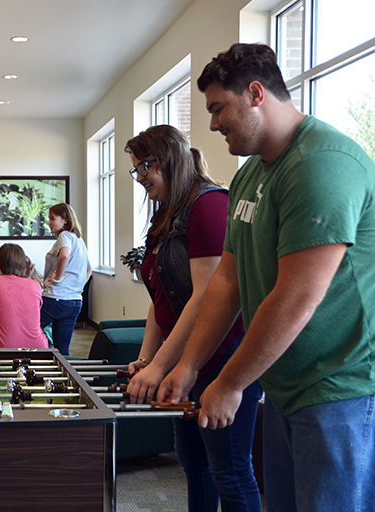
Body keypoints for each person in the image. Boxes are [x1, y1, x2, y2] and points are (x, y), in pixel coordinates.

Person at [158, 43, 375, 512]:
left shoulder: (321, 165)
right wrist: (188, 366)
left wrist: (228, 384)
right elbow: (227, 283)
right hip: (287, 383)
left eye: (217, 108)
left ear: (255, 93)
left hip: (346, 389)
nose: (212, 124)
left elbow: (294, 298)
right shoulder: (252, 174)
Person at [124, 125, 261, 511]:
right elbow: (159, 296)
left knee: (230, 471)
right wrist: (150, 358)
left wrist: (168, 364)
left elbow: (207, 296)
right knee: (194, 464)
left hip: (222, 356)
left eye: (143, 168)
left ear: (167, 160)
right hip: (186, 359)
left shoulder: (210, 205)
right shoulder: (166, 215)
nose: (140, 179)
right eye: (135, 170)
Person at [0, 244, 47, 349]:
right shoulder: (35, 285)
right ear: (23, 265)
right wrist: (26, 277)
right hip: (39, 350)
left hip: (5, 351)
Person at [39, 203, 92, 356]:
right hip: (74, 302)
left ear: (65, 220)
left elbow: (64, 255)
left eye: (52, 219)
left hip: (56, 300)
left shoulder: (65, 235)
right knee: (62, 350)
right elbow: (89, 268)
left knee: (27, 332)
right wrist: (78, 286)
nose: (49, 222)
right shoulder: (79, 240)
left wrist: (59, 279)